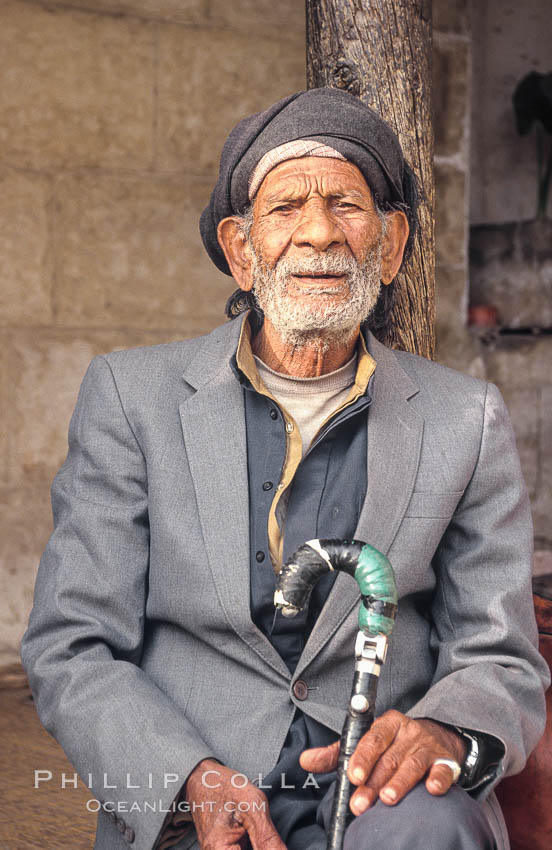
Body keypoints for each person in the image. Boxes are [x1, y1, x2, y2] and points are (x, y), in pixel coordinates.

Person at [21, 88, 549, 850]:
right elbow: (71, 642)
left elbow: (498, 647)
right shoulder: (131, 397)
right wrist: (185, 774)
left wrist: (443, 731)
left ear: (392, 243)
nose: (318, 234)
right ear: (241, 251)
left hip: (387, 796)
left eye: (346, 204)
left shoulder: (464, 417)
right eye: (286, 207)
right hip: (197, 792)